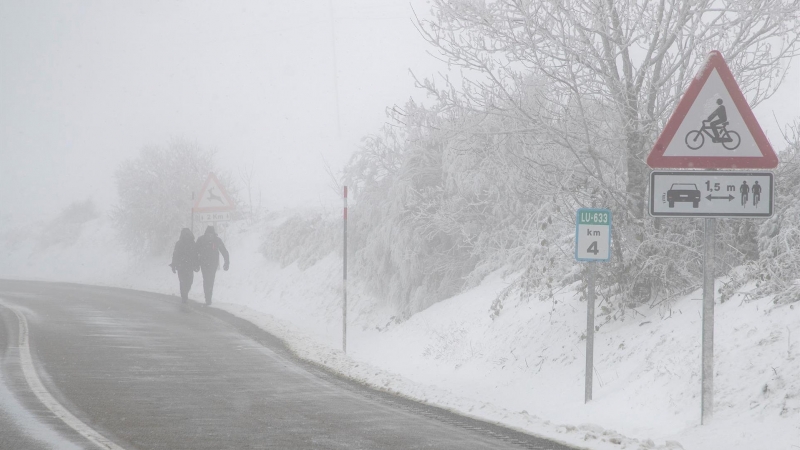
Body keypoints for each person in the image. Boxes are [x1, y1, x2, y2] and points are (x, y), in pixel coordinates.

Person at [195, 225, 229, 305]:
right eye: (209, 234)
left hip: (205, 263)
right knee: (210, 280)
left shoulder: (201, 239)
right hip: (212, 264)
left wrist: (196, 263)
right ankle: (208, 297)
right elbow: (224, 251)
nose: (209, 236)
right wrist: (226, 262)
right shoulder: (216, 240)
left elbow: (195, 252)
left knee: (206, 280)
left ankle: (208, 297)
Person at [170, 228, 199, 303]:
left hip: (188, 266)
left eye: (187, 234)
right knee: (183, 282)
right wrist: (174, 264)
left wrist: (196, 264)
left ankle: (184, 294)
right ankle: (184, 296)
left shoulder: (192, 243)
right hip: (182, 266)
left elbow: (196, 255)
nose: (186, 236)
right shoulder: (179, 243)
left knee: (189, 282)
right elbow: (175, 254)